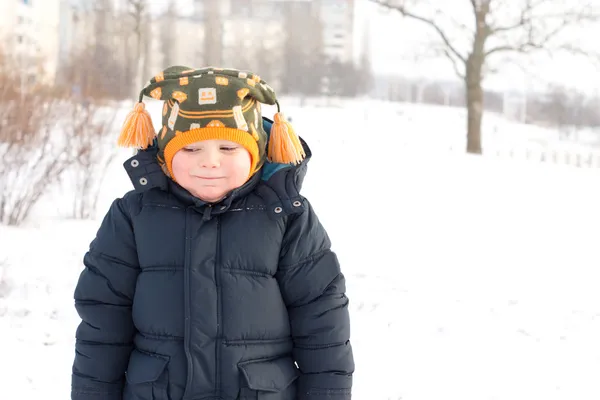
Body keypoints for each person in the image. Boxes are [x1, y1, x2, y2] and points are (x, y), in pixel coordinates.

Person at [70, 66, 354, 400]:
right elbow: (102, 324)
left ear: (257, 151)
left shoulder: (285, 215)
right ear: (164, 155)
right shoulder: (135, 216)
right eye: (190, 149)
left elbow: (322, 320)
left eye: (228, 148)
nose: (210, 162)